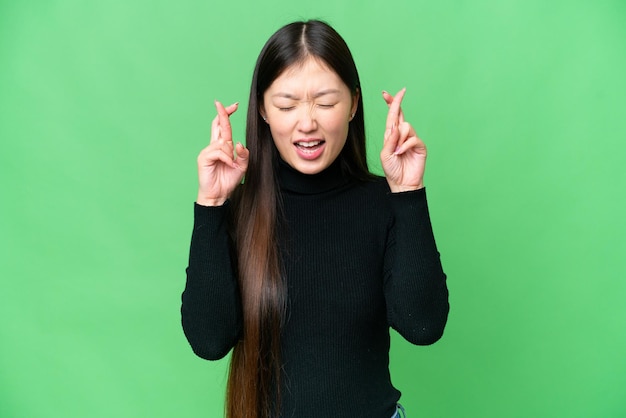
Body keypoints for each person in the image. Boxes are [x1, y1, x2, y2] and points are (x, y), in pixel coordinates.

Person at [181, 19, 449, 418]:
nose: (307, 123)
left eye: (325, 103)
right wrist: (212, 203)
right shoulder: (240, 210)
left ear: (354, 104)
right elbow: (209, 340)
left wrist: (408, 192)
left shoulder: (383, 203)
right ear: (263, 109)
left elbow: (423, 326)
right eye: (287, 105)